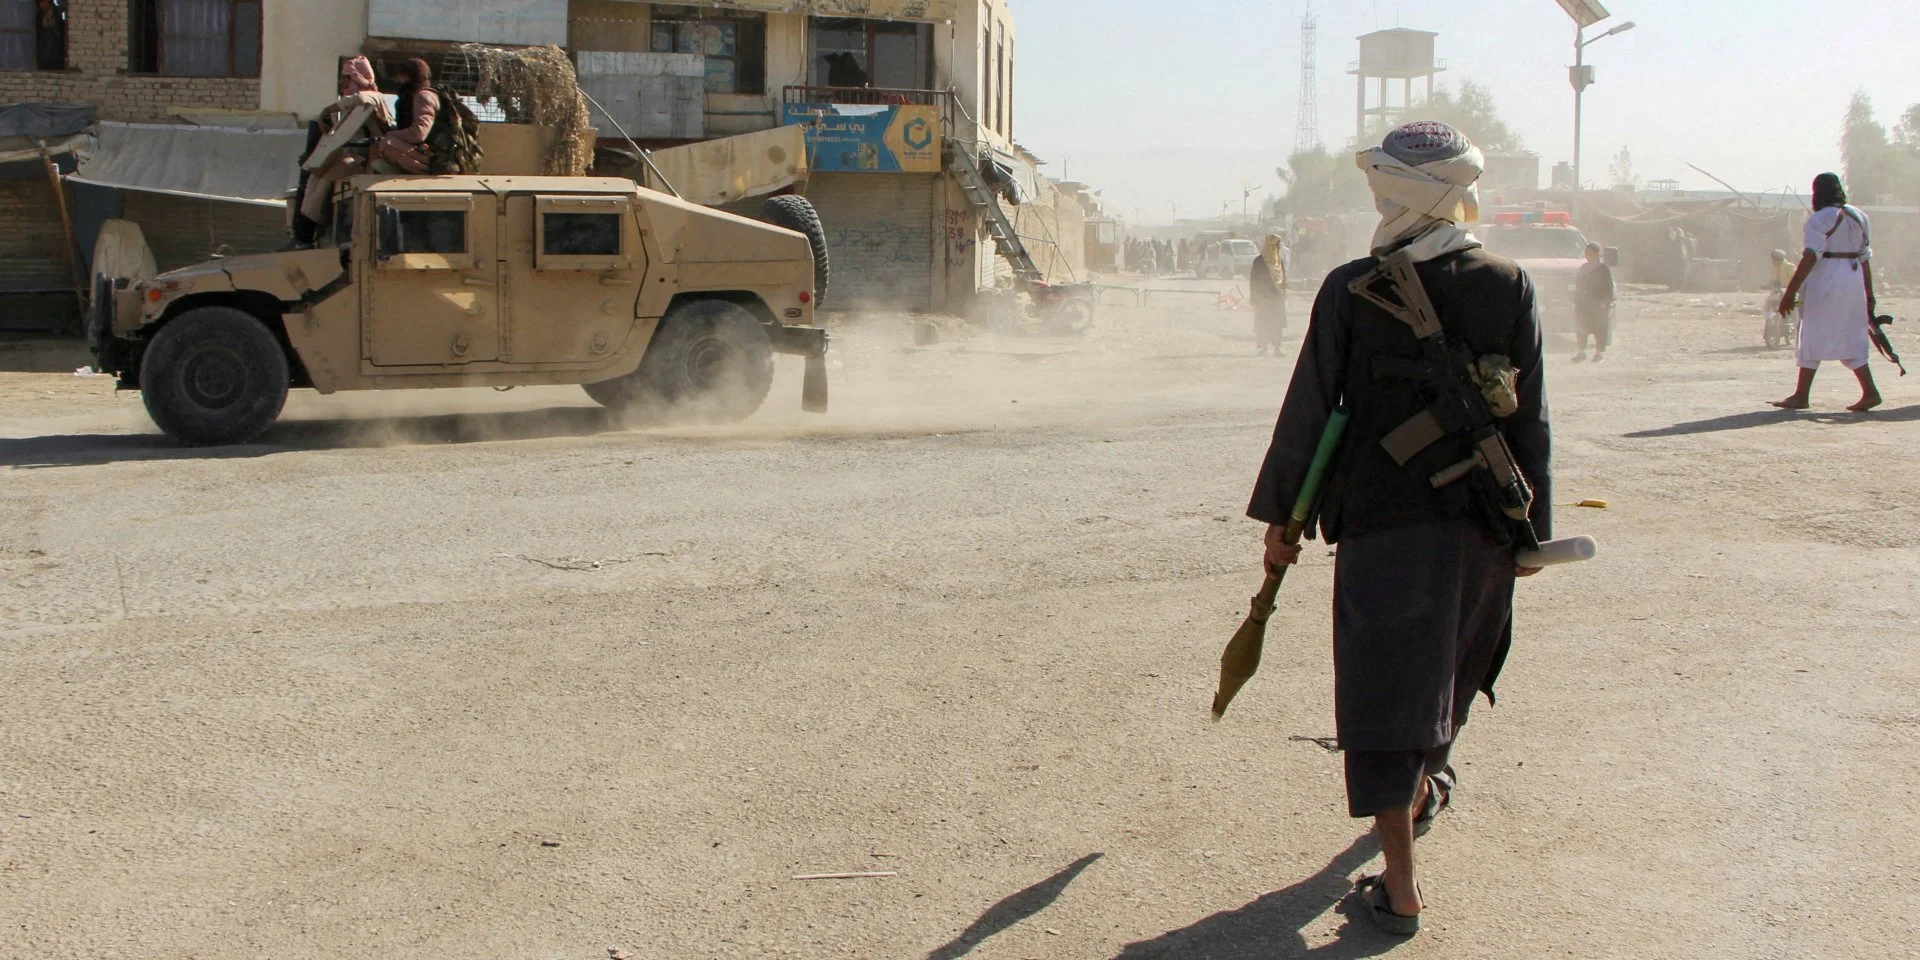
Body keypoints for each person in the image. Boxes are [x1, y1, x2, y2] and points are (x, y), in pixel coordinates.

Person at [1248, 121, 1551, 937]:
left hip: (1383, 527)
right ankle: (1420, 795)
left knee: (1386, 698)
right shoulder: (1508, 283)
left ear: (1394, 193)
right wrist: (1532, 533)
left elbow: (1310, 409)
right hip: (1481, 528)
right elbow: (1531, 423)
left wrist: (1283, 520)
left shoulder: (1351, 287)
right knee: (1449, 675)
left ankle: (1404, 885)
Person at [1773, 173, 1881, 412]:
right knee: (1851, 334)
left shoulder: (1819, 219)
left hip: (1826, 280)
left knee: (1812, 331)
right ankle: (1869, 391)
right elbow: (1864, 259)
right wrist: (1869, 294)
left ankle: (1801, 395)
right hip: (1853, 280)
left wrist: (1790, 292)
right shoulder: (1860, 216)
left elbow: (1811, 255)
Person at [292, 56, 394, 246]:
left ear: (355, 77)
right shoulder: (350, 107)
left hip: (365, 160)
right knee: (313, 177)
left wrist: (327, 110)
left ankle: (307, 232)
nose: (340, 82)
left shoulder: (372, 97)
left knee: (325, 181)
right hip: (351, 156)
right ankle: (305, 232)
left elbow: (361, 98)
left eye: (344, 77)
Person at [376, 57, 441, 175]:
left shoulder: (423, 96)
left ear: (411, 76)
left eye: (401, 75)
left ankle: (424, 172)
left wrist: (388, 134)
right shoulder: (413, 97)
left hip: (435, 157)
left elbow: (418, 134)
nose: (398, 80)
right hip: (423, 152)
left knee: (386, 143)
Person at [1572, 241, 1615, 362]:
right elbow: (1578, 285)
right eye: (1585, 253)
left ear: (1596, 254)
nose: (1586, 255)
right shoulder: (1583, 268)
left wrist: (1606, 301)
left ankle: (1598, 354)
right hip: (1583, 304)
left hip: (1598, 304)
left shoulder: (1603, 269)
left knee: (1599, 329)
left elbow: (1608, 287)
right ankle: (1581, 352)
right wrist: (1576, 301)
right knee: (1581, 328)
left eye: (1589, 253)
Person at [1247, 233, 1288, 356]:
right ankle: (1263, 348)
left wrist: (1285, 288)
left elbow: (1283, 277)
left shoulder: (1279, 261)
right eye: (1277, 244)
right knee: (1263, 322)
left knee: (1277, 323)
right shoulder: (1259, 261)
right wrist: (1254, 297)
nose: (1279, 247)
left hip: (1277, 298)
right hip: (1263, 298)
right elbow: (1254, 280)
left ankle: (1277, 348)